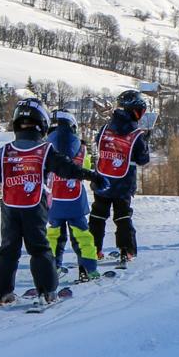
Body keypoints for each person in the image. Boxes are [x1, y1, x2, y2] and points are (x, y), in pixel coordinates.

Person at [0, 99, 108, 306]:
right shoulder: (45, 150)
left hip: (10, 208)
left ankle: (0, 293)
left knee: (7, 250)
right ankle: (47, 292)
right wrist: (91, 175)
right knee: (40, 249)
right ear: (42, 124)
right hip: (34, 207)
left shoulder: (6, 151)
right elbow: (67, 168)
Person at [90, 90, 153, 261]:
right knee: (123, 216)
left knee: (97, 216)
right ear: (134, 111)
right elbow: (143, 159)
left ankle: (93, 250)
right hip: (123, 184)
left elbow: (98, 143)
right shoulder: (136, 134)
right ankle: (127, 250)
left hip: (102, 180)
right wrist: (145, 142)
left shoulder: (105, 128)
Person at [45, 109, 104, 281]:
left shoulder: (46, 148)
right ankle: (89, 268)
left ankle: (52, 267)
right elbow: (86, 166)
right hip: (75, 200)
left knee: (54, 236)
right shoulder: (81, 148)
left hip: (55, 199)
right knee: (82, 235)